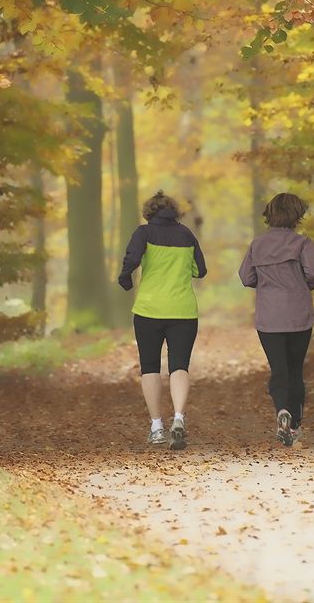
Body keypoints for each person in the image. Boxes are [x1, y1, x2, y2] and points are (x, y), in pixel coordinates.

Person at [118, 191, 207, 450]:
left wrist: (125, 277)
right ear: (174, 211)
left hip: (149, 310)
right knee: (180, 366)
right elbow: (200, 270)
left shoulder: (143, 233)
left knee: (150, 367)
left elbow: (132, 259)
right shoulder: (186, 235)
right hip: (183, 311)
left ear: (149, 211)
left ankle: (157, 427)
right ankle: (178, 418)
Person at [238, 193, 314, 446]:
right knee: (295, 369)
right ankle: (294, 425)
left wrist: (265, 283)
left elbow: (246, 277)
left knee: (279, 369)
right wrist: (305, 285)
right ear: (297, 215)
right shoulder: (302, 243)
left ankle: (281, 410)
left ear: (270, 214)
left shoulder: (257, 245)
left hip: (269, 317)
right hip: (298, 315)